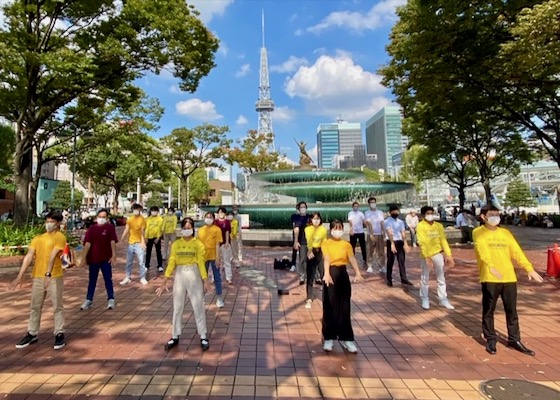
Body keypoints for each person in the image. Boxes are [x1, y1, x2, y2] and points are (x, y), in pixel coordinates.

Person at [473, 205, 543, 356]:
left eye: (497, 214)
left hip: (509, 276)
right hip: (490, 277)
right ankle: (491, 339)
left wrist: (528, 268)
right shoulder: (478, 232)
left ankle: (514, 339)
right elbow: (482, 250)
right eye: (491, 215)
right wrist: (491, 266)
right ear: (483, 217)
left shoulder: (505, 233)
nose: (495, 217)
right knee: (489, 309)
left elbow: (516, 251)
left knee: (511, 310)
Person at [10, 212, 67, 350]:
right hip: (38, 276)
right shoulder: (38, 238)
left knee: (57, 306)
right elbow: (29, 256)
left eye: (52, 221)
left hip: (54, 276)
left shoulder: (60, 237)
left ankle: (59, 333)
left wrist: (48, 273)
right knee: (35, 306)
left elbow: (54, 255)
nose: (49, 224)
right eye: (47, 221)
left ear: (58, 223)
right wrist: (20, 275)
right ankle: (32, 333)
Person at [156, 218, 212, 351]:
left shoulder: (198, 244)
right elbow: (172, 262)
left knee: (198, 305)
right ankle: (175, 335)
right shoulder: (176, 244)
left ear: (193, 229)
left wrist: (206, 280)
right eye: (185, 227)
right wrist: (165, 280)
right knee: (177, 307)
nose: (187, 230)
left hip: (194, 273)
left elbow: (200, 262)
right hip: (180, 274)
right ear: (181, 229)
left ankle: (203, 336)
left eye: (189, 227)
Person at [321, 219, 364, 353]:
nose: (337, 230)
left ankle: (347, 339)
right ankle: (329, 337)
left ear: (343, 230)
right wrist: (327, 273)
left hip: (342, 273)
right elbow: (326, 258)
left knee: (345, 306)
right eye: (335, 228)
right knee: (330, 305)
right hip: (331, 273)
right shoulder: (326, 243)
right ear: (331, 230)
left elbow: (351, 258)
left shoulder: (346, 244)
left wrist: (357, 272)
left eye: (339, 228)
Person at [416, 206, 455, 310]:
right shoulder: (420, 226)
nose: (430, 215)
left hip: (437, 253)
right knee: (425, 277)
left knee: (441, 277)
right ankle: (425, 298)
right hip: (426, 255)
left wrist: (448, 254)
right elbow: (421, 242)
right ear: (423, 215)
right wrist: (426, 256)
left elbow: (443, 240)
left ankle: (443, 299)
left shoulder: (438, 226)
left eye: (431, 213)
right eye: (427, 213)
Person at [79, 209, 118, 310]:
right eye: (99, 217)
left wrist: (114, 255)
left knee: (107, 278)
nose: (101, 219)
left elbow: (112, 241)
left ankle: (111, 298)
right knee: (92, 280)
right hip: (93, 259)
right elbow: (87, 243)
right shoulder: (91, 229)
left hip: (106, 259)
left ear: (107, 218)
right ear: (96, 217)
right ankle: (89, 299)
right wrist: (83, 258)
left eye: (103, 217)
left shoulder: (110, 228)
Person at [198, 212, 224, 308]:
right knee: (202, 277)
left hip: (213, 255)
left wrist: (217, 257)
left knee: (217, 277)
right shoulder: (201, 230)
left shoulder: (217, 229)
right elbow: (198, 245)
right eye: (207, 217)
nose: (208, 219)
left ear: (213, 219)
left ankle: (219, 297)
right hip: (203, 256)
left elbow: (217, 244)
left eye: (210, 217)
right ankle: (202, 297)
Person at [384, 205, 412, 287]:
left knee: (401, 260)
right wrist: (392, 244)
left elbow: (403, 233)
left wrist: (405, 243)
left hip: (399, 242)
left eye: (396, 211)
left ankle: (404, 278)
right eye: (393, 211)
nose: (395, 213)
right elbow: (389, 233)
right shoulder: (387, 221)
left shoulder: (400, 222)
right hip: (391, 241)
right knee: (390, 261)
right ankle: (389, 279)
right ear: (390, 212)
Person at [304, 212, 327, 309]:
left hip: (320, 252)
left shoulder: (323, 229)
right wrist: (309, 251)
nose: (316, 220)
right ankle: (309, 297)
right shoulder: (308, 229)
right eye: (314, 218)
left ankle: (326, 297)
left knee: (324, 274)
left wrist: (325, 254)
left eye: (318, 218)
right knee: (310, 275)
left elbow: (324, 241)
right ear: (311, 220)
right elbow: (309, 240)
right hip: (311, 251)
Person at [120, 203, 147, 285]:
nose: (136, 211)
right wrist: (122, 239)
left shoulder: (142, 220)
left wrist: (143, 242)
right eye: (134, 209)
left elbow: (142, 232)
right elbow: (126, 229)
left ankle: (142, 278)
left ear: (140, 210)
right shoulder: (130, 219)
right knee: (129, 262)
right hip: (131, 243)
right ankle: (127, 277)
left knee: (141, 262)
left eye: (137, 209)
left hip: (139, 244)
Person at [364, 197, 386, 274]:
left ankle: (382, 266)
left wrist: (384, 233)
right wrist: (371, 234)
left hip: (379, 233)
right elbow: (367, 223)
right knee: (370, 250)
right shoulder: (367, 213)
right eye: (371, 202)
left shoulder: (380, 212)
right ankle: (369, 265)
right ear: (369, 204)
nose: (373, 204)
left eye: (374, 202)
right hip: (370, 234)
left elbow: (382, 223)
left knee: (381, 251)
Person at [292, 201, 311, 285]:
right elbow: (296, 230)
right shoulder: (296, 217)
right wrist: (296, 241)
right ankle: (302, 276)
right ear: (299, 209)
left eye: (304, 207)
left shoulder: (310, 217)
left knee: (312, 259)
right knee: (302, 259)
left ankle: (315, 276)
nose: (303, 209)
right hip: (302, 241)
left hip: (311, 242)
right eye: (301, 207)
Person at [214, 207, 233, 284]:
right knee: (216, 261)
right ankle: (214, 277)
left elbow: (227, 232)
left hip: (225, 243)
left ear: (225, 214)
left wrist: (227, 242)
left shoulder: (227, 222)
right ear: (217, 213)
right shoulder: (215, 222)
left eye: (222, 212)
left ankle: (228, 277)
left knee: (226, 260)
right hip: (216, 244)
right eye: (220, 212)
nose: (221, 214)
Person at [348, 201, 367, 267]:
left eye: (357, 206)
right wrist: (351, 229)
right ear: (352, 207)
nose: (356, 207)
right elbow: (350, 221)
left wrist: (368, 227)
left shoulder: (361, 213)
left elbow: (364, 221)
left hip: (361, 232)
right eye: (354, 206)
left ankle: (365, 259)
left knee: (363, 246)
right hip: (354, 232)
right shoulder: (350, 213)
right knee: (352, 246)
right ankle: (352, 259)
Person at [145, 206, 164, 274]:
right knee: (148, 252)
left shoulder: (160, 219)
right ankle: (147, 265)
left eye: (155, 211)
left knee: (158, 252)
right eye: (152, 211)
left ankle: (160, 266)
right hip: (149, 237)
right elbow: (147, 228)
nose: (153, 212)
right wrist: (146, 237)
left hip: (156, 237)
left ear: (157, 212)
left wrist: (158, 238)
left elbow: (160, 229)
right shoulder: (148, 219)